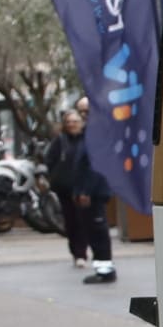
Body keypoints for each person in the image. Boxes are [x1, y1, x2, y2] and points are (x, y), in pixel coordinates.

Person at [44, 104, 117, 284]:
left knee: (98, 232)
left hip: (92, 193)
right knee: (90, 231)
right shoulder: (85, 135)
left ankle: (105, 269)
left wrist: (85, 191)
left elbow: (94, 168)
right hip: (80, 191)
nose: (82, 117)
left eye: (84, 113)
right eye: (80, 112)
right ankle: (101, 268)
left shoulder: (96, 135)